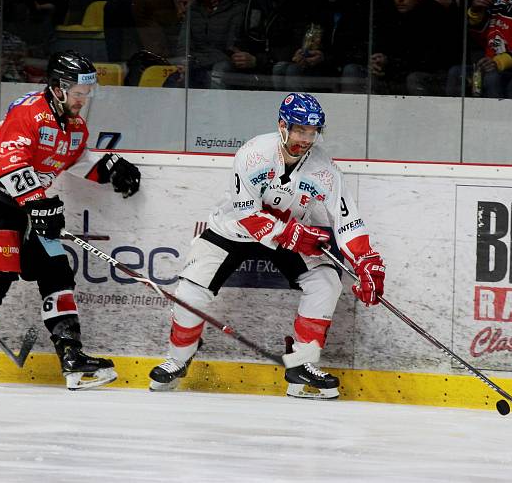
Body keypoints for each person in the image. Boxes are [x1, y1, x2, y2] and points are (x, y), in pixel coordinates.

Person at [148, 93, 386, 399]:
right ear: (282, 126)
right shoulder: (253, 154)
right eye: (300, 130)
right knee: (189, 291)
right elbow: (247, 213)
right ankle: (178, 358)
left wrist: (365, 260)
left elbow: (347, 219)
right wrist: (291, 234)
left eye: (313, 133)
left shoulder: (324, 169)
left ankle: (302, 364)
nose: (306, 139)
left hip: (292, 234)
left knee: (326, 281)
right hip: (233, 230)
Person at [0, 51, 142, 390]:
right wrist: (40, 208)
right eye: (78, 94)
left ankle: (72, 356)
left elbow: (72, 161)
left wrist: (110, 169)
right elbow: (14, 166)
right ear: (58, 89)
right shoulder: (28, 112)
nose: (83, 101)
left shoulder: (74, 125)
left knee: (56, 267)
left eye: (87, 95)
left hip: (28, 206)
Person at [210, 0, 313, 91]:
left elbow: (296, 47)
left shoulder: (303, 1)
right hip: (255, 61)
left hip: (279, 63)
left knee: (282, 70)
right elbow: (245, 34)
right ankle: (218, 112)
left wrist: (258, 60)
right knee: (221, 68)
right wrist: (239, 52)